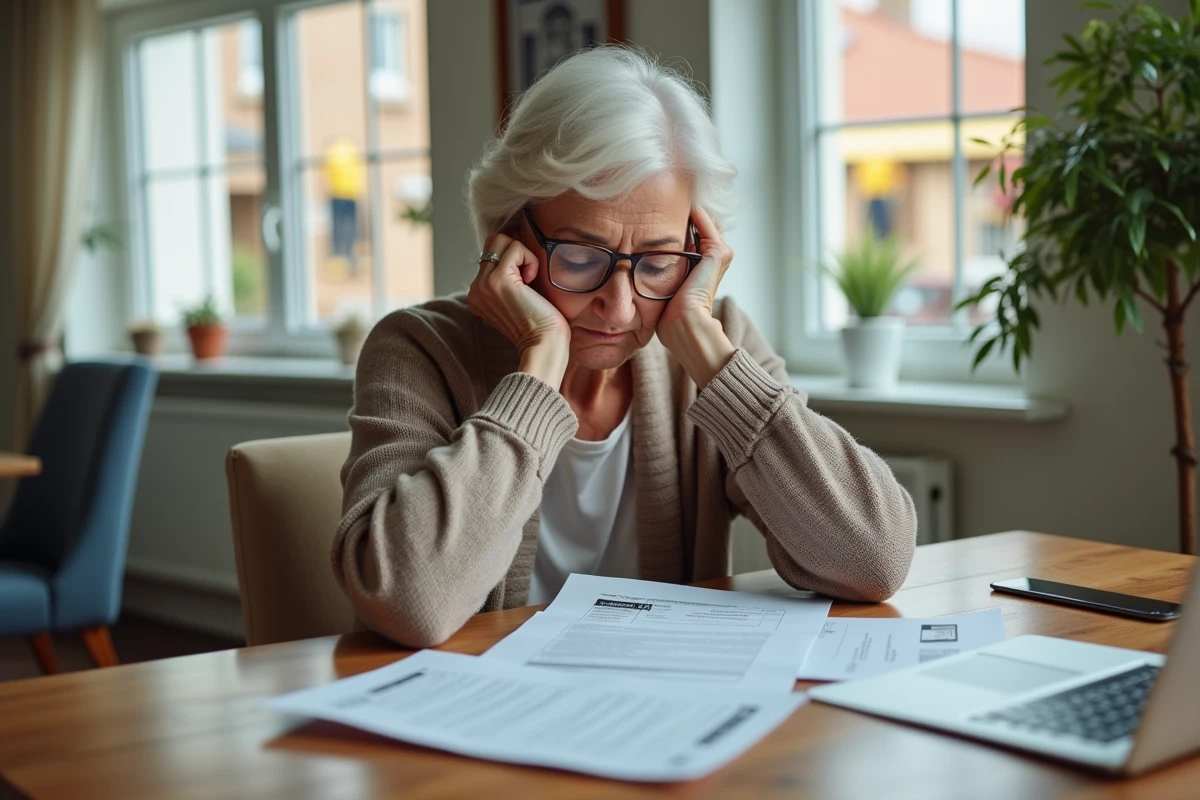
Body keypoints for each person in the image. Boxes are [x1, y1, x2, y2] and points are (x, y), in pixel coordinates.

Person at [332, 46, 918, 648]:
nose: (620, 305)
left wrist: (711, 357)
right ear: (508, 232)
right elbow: (407, 601)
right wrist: (539, 361)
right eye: (581, 258)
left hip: (657, 716)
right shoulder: (418, 350)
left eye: (659, 262)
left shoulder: (713, 346)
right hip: (469, 718)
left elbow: (875, 559)